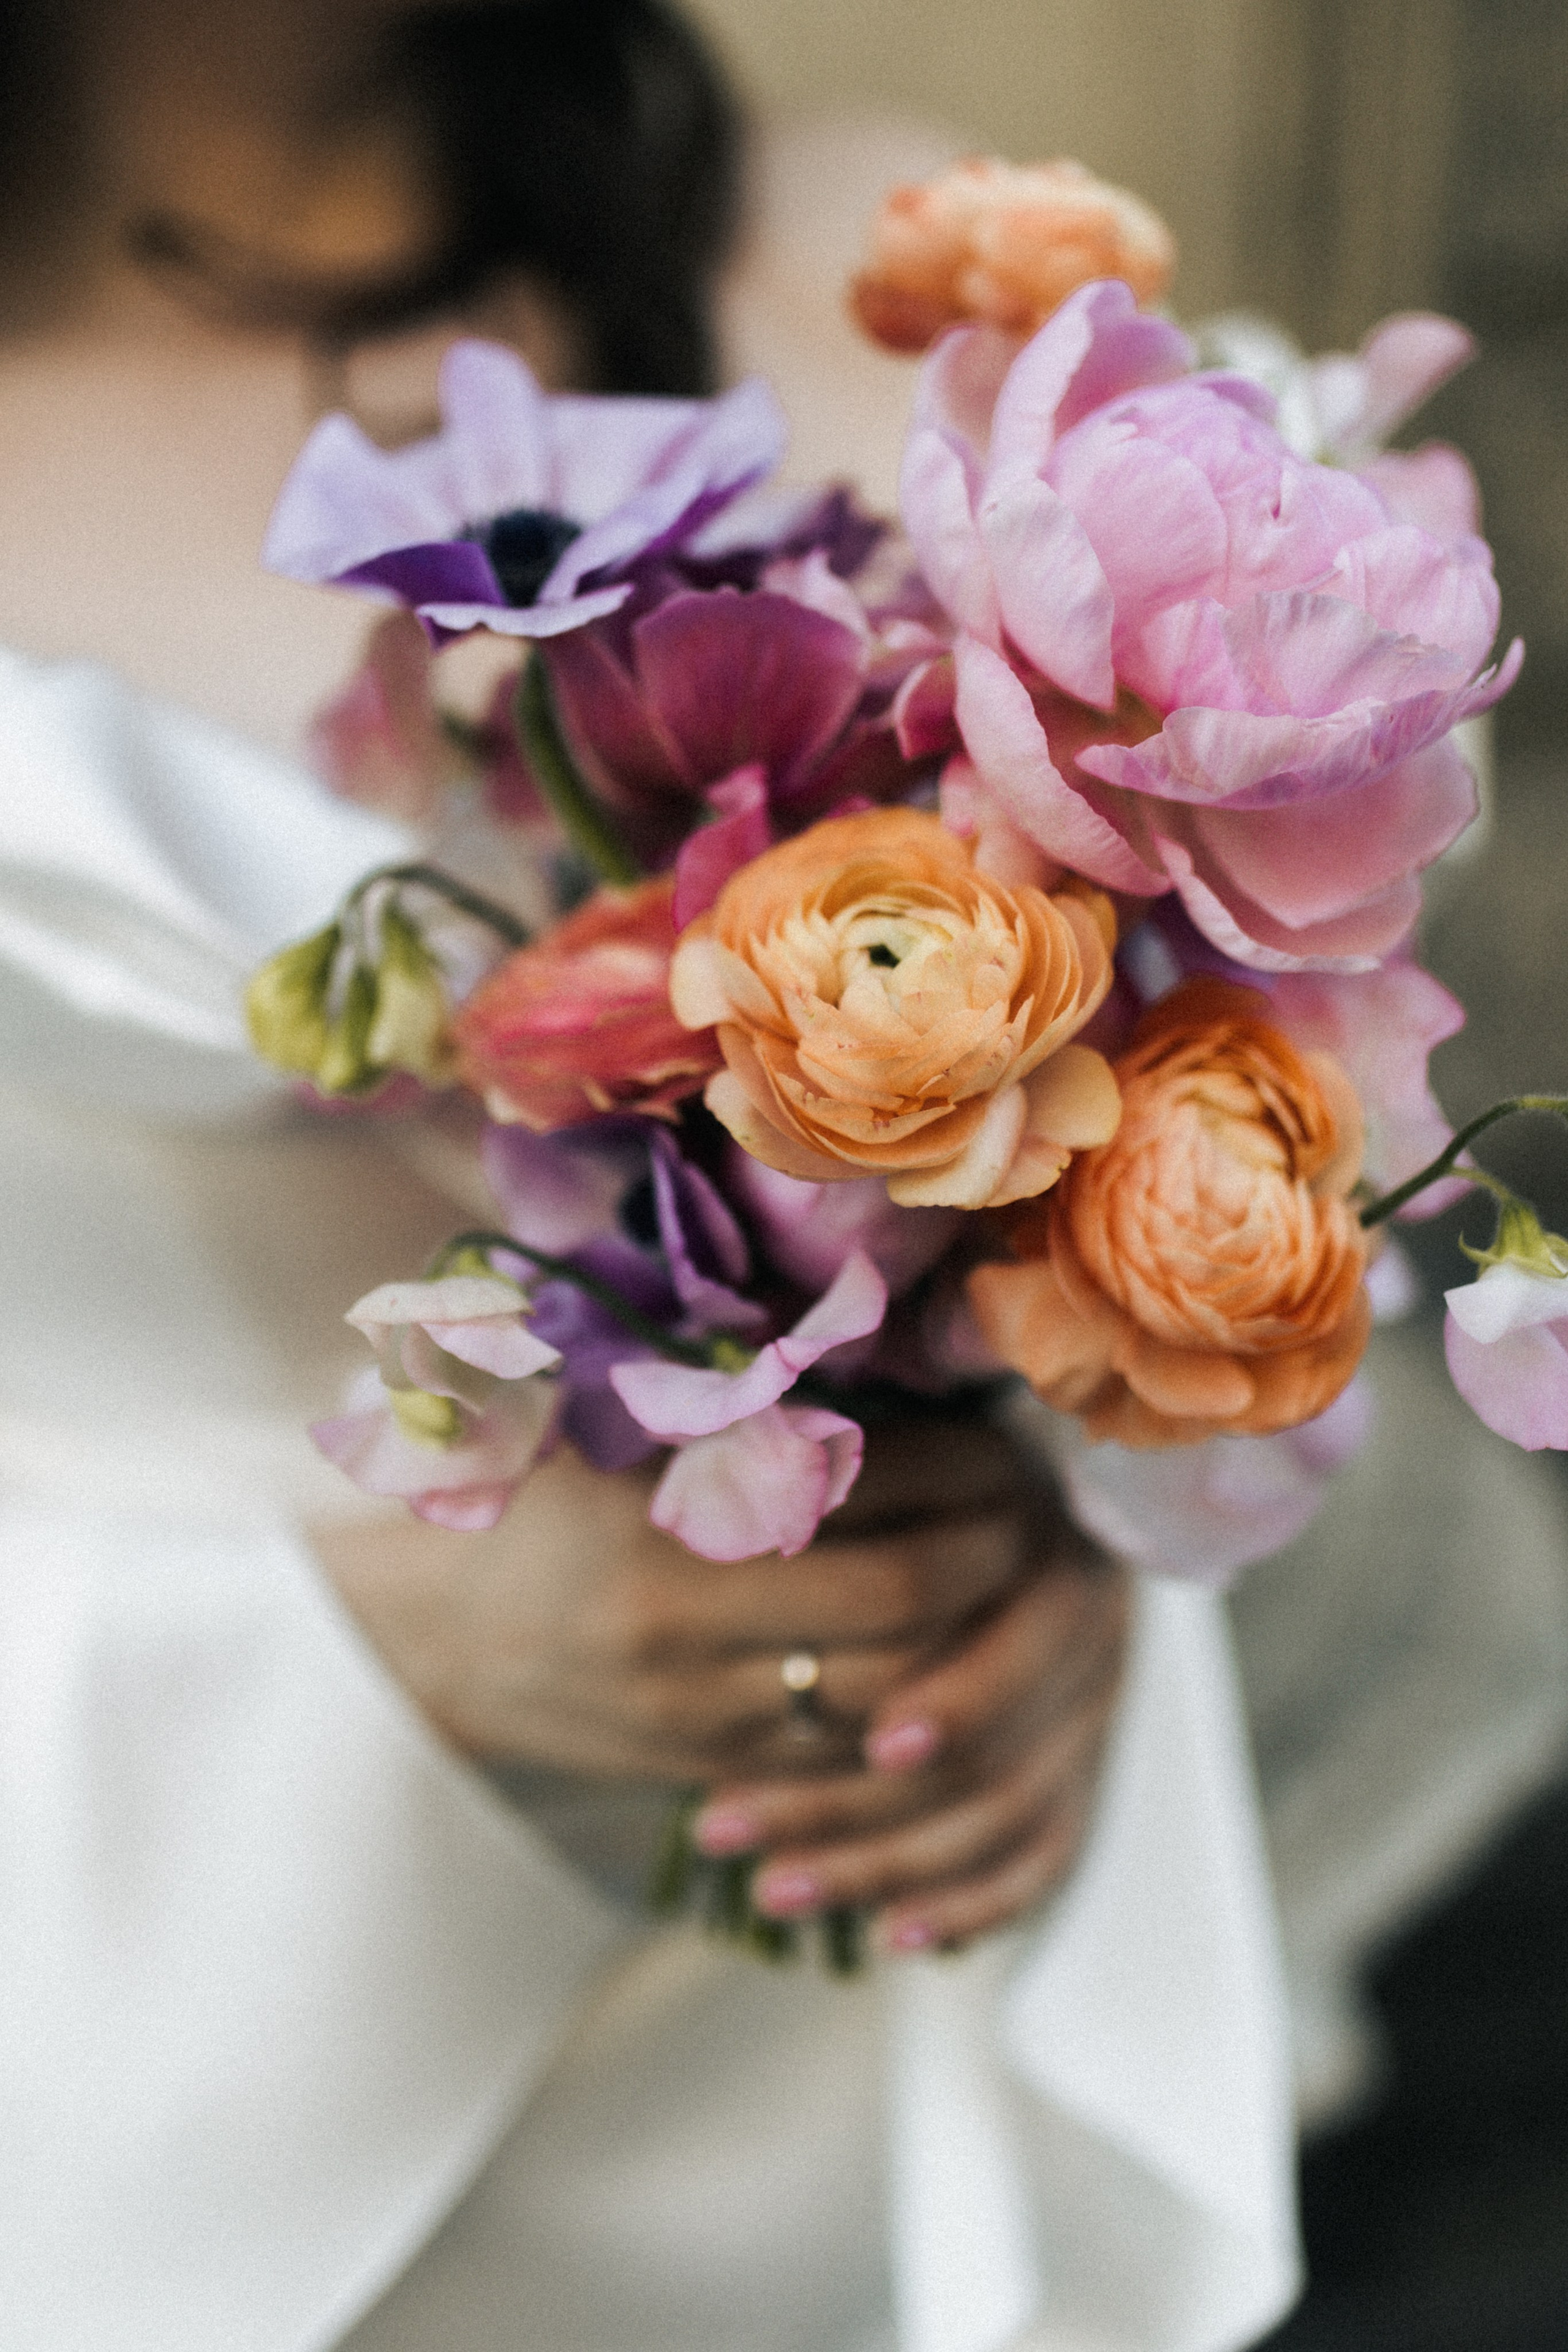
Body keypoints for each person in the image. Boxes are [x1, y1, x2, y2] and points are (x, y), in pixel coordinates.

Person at [12, 2, 1544, 2346]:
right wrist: (358, 1655)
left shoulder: (917, 298)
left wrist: (1051, 1566)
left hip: (849, 2079)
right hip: (162, 2092)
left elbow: (1183, 1128)